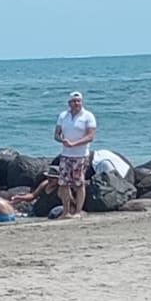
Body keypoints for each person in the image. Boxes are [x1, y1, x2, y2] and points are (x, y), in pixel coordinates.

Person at [54, 91, 97, 219]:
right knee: (63, 183)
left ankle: (78, 211)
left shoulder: (88, 116)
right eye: (74, 101)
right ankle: (66, 211)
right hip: (66, 154)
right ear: (69, 103)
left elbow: (90, 136)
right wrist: (63, 140)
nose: (76, 103)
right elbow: (56, 134)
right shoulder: (63, 116)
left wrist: (75, 144)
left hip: (81, 155)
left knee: (79, 183)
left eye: (78, 101)